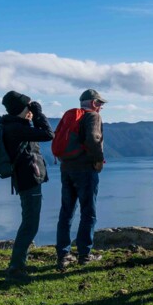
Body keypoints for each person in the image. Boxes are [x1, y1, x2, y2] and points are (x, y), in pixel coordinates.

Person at [0, 91, 54, 281]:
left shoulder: (15, 125)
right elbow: (48, 134)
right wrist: (38, 113)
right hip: (28, 180)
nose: (31, 110)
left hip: (26, 179)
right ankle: (16, 268)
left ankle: (18, 264)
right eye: (28, 106)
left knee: (29, 222)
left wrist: (30, 116)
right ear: (21, 108)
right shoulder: (16, 128)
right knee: (30, 225)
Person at [55, 89, 107, 269]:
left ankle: (63, 254)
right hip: (85, 170)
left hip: (66, 168)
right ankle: (84, 254)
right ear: (93, 103)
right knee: (88, 212)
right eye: (100, 103)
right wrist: (99, 160)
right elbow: (93, 138)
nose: (101, 107)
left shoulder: (71, 117)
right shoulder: (92, 116)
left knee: (66, 212)